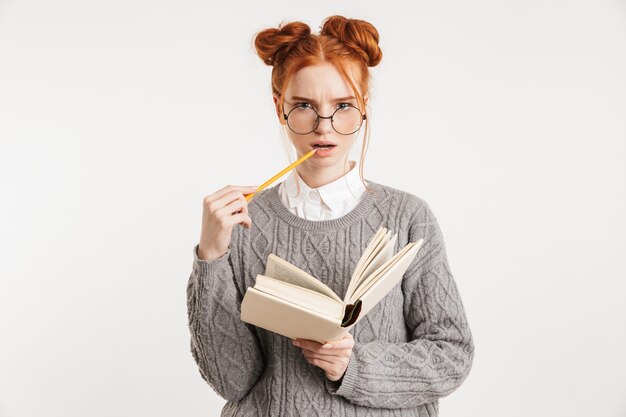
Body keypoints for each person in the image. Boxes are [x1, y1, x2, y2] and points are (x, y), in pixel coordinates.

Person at [186, 15, 474, 417]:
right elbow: (231, 381)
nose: (325, 127)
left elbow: (452, 355)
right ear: (278, 108)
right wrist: (211, 256)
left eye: (343, 106)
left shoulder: (408, 216)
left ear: (364, 108)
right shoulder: (241, 222)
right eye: (304, 106)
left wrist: (355, 366)